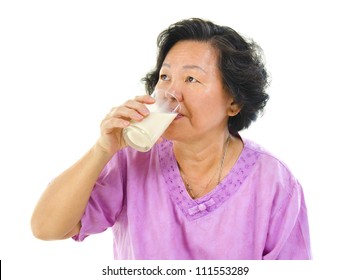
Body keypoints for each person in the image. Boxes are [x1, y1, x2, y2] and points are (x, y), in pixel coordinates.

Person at [31, 18, 311, 260]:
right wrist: (102, 150)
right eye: (165, 76)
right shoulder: (132, 159)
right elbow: (46, 228)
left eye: (191, 79)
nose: (171, 92)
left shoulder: (274, 182)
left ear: (234, 102)